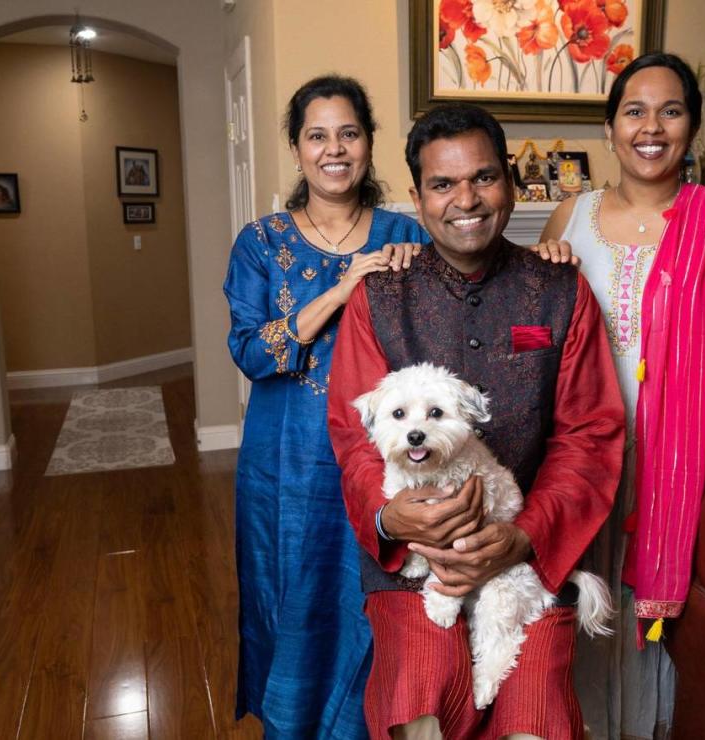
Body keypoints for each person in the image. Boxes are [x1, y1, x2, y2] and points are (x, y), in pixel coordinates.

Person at [327, 102, 626, 739]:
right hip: (410, 563)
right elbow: (354, 438)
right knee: (419, 705)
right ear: (417, 196)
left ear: (511, 183)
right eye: (442, 184)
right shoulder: (380, 296)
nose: (466, 198)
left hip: (526, 549)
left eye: (484, 178)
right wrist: (392, 519)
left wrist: (523, 536)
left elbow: (589, 436)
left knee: (536, 713)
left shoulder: (560, 290)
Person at [538, 53, 705, 740]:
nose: (651, 127)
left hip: (677, 455)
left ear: (691, 128)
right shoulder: (571, 214)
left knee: (662, 602)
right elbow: (531, 331)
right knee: (580, 590)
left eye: (671, 110)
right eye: (634, 111)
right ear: (609, 128)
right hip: (582, 450)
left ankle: (652, 729)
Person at [223, 75, 429, 739]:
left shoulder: (406, 234)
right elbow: (254, 352)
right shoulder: (262, 242)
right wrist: (343, 288)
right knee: (289, 606)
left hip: (380, 464)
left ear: (369, 145)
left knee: (378, 607)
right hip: (283, 469)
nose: (334, 149)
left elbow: (453, 332)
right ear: (295, 148)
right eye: (318, 135)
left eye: (349, 133)